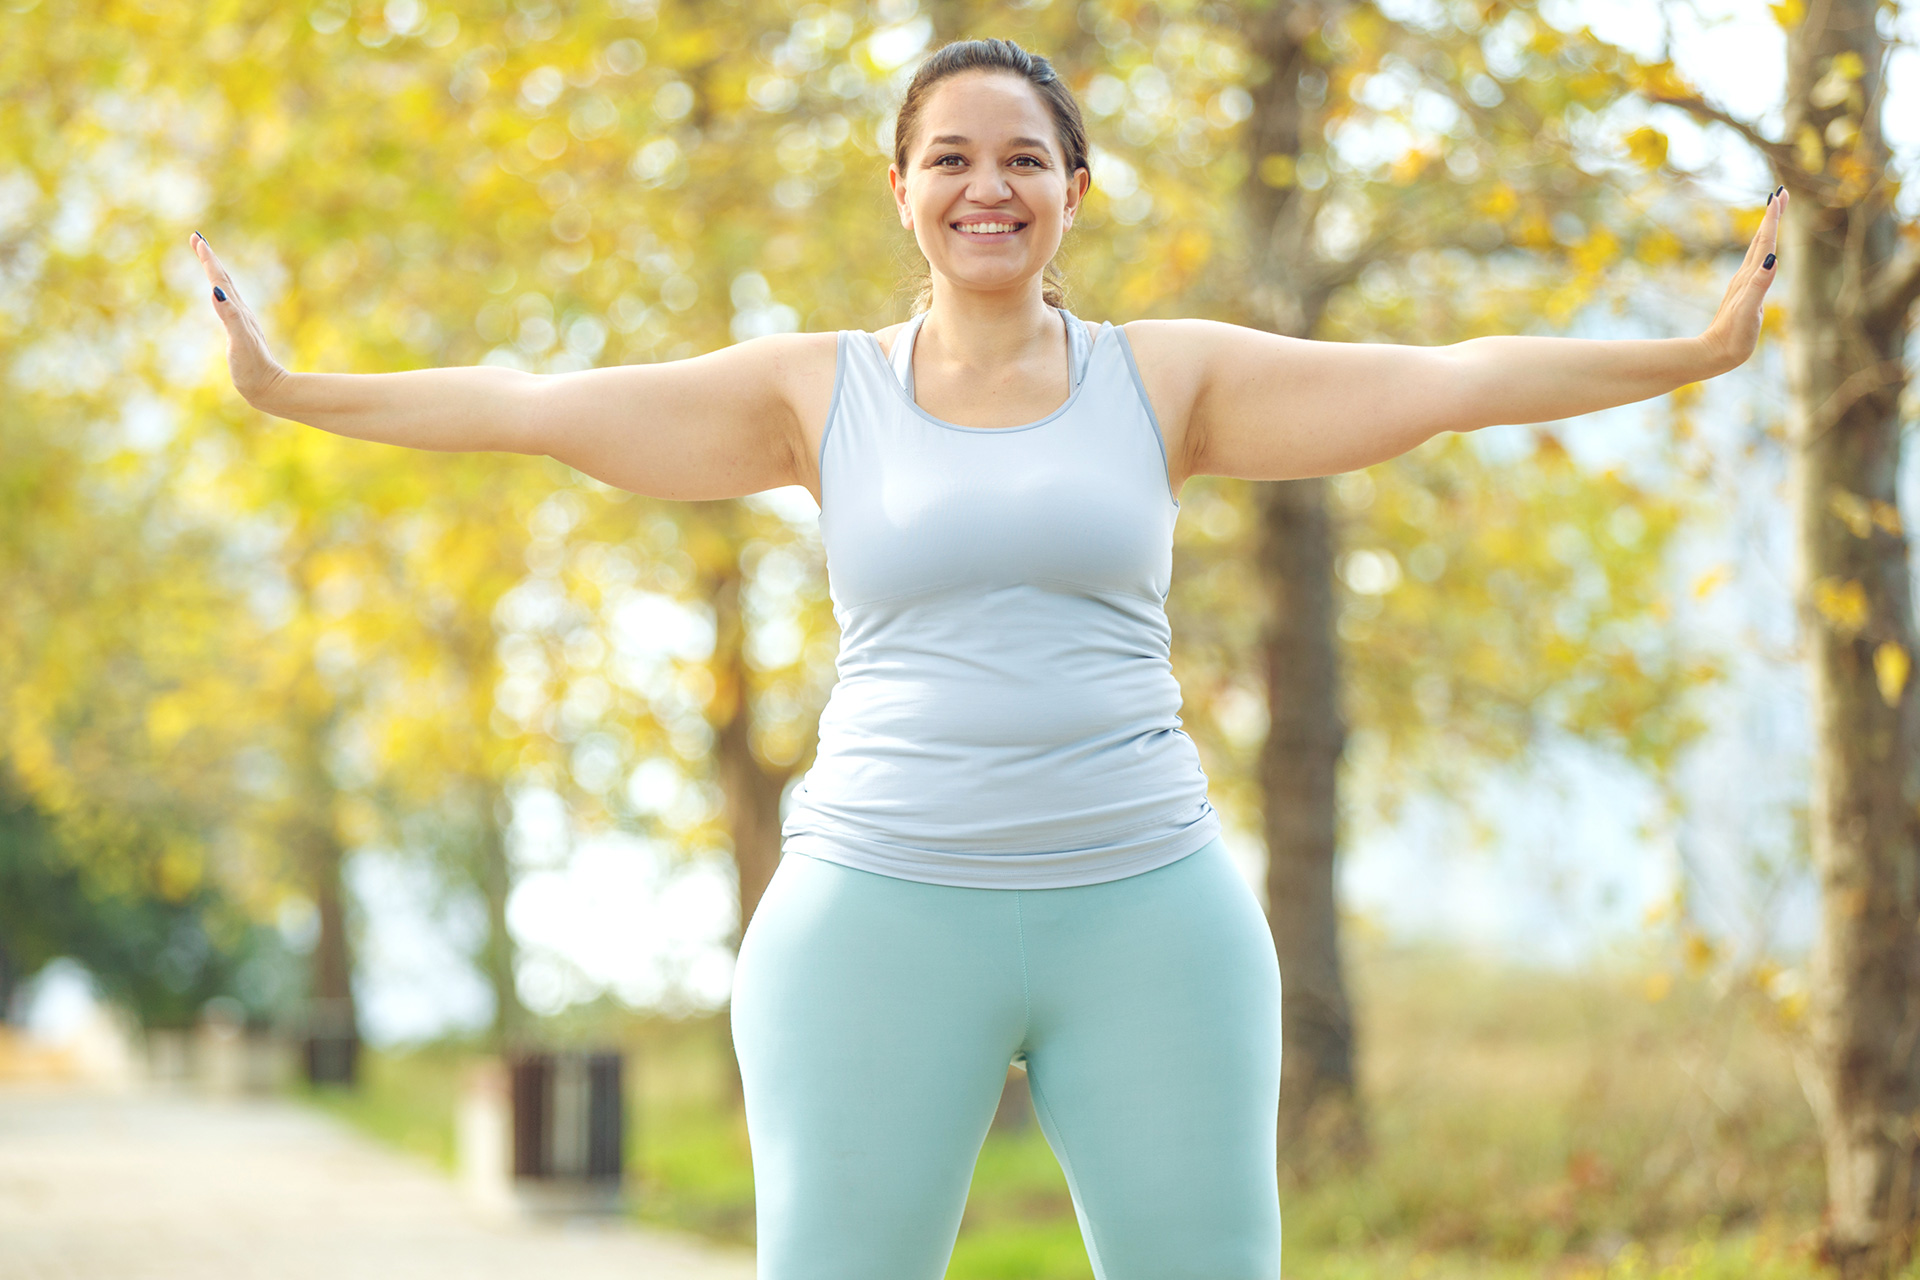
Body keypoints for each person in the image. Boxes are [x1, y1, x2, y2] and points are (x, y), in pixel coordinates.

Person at [192, 35, 1783, 1280]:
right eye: (950, 158)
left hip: (1150, 916)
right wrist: (293, 389)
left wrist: (1696, 349)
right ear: (901, 190)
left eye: (1024, 159)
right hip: (876, 916)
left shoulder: (1171, 380)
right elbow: (531, 405)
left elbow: (1449, 376)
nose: (987, 187)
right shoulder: (814, 393)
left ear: (1074, 193)